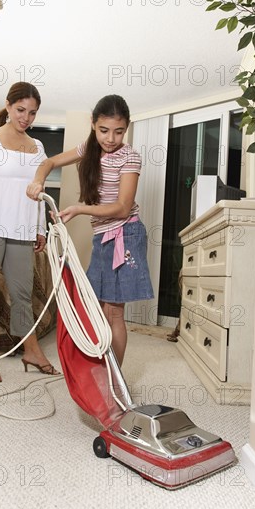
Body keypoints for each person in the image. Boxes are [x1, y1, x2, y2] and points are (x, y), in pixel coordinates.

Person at [26, 94, 154, 366]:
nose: (110, 138)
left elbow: (122, 207)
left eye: (119, 132)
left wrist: (80, 208)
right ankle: (104, 371)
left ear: (127, 127)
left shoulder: (130, 157)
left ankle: (115, 380)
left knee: (114, 312)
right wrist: (38, 181)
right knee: (97, 307)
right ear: (94, 125)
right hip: (103, 236)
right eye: (104, 130)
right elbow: (49, 162)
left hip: (125, 235)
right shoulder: (89, 148)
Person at [0, 82, 60, 382]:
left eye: (32, 113)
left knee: (22, 293)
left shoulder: (38, 147)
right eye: (21, 110)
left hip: (22, 228)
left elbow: (37, 191)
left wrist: (39, 228)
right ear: (8, 106)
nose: (26, 117)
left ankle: (31, 350)